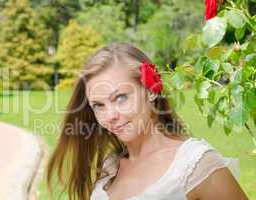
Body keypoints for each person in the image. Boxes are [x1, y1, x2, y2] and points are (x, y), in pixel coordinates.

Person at [46, 42, 248, 200]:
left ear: (151, 90)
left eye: (121, 97)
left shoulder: (194, 165)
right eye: (99, 105)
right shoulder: (110, 168)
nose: (110, 116)